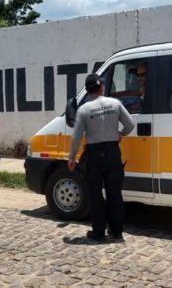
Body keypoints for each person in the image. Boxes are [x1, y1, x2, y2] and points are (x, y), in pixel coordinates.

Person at [68, 73, 134, 243]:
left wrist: (72, 157)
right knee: (114, 193)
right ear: (102, 87)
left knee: (95, 194)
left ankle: (98, 231)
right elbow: (130, 124)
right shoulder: (115, 103)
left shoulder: (84, 109)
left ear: (88, 90)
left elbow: (76, 136)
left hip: (94, 155)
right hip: (113, 152)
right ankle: (117, 231)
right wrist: (120, 134)